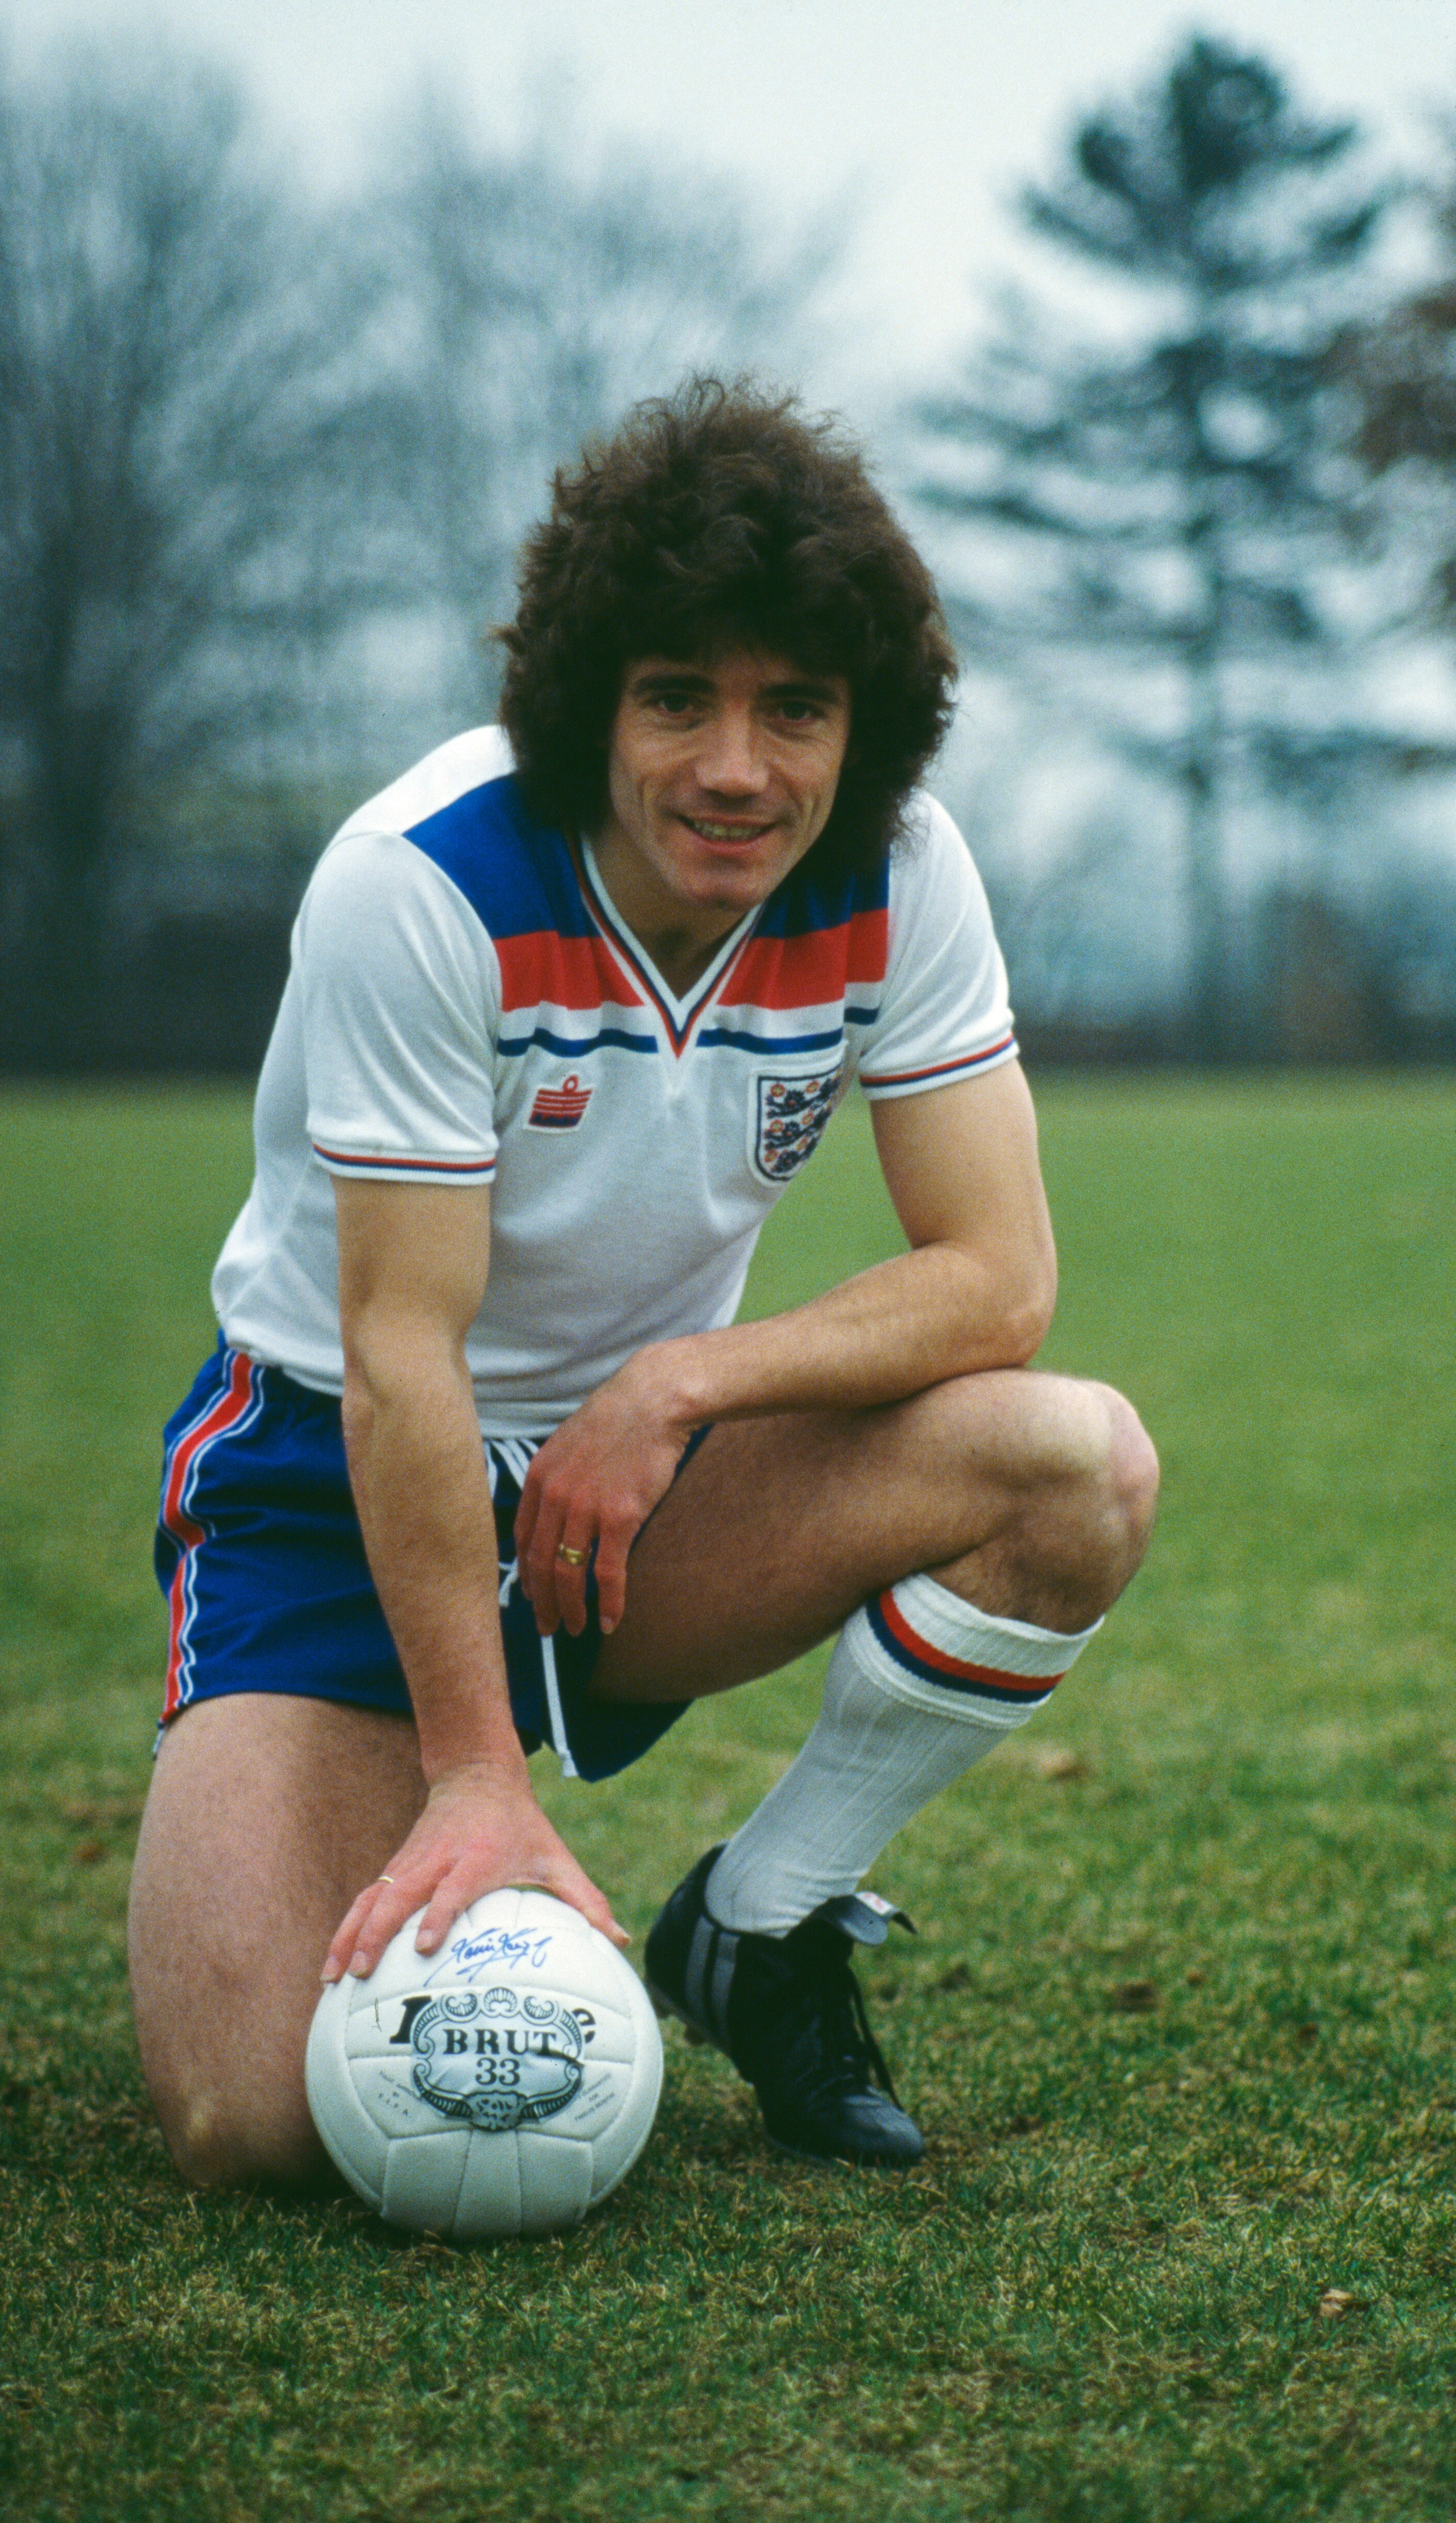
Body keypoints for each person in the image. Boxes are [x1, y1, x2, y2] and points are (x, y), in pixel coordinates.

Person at [128, 378, 1159, 2192]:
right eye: (677, 696)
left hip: (639, 1493)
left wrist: (677, 1385)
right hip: (338, 1486)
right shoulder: (424, 880)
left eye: (796, 709)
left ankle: (759, 1924)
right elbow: (397, 1357)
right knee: (256, 2123)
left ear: (869, 727)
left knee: (1074, 1462)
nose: (736, 767)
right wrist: (472, 1770)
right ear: (588, 700)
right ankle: (393, 1767)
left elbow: (998, 1281)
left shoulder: (899, 872)